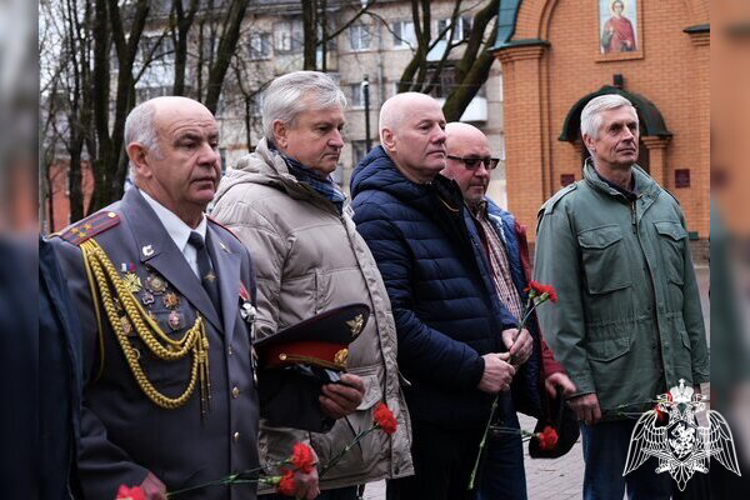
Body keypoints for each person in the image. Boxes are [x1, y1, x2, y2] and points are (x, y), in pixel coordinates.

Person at [50, 96, 363, 500]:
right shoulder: (83, 254)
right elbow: (53, 397)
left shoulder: (231, 249)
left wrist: (316, 399)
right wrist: (115, 476)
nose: (210, 158)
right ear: (141, 158)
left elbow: (232, 376)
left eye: (214, 143)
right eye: (189, 144)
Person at [210, 71, 412, 500]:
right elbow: (248, 345)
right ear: (280, 132)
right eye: (323, 128)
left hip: (337, 438)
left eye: (339, 127)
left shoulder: (324, 198)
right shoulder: (252, 207)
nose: (338, 139)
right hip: (303, 457)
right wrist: (289, 456)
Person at [350, 92, 534, 500]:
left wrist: (505, 326)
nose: (440, 136)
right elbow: (393, 319)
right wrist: (473, 368)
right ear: (390, 139)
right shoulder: (377, 211)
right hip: (429, 417)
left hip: (471, 408)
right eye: (425, 127)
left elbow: (481, 282)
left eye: (441, 125)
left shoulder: (445, 197)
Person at [533, 94, 709, 499]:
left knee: (670, 490)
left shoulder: (665, 205)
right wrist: (577, 383)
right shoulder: (566, 212)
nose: (629, 135)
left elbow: (687, 303)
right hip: (611, 389)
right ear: (589, 141)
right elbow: (556, 309)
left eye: (632, 126)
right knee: (605, 492)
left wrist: (698, 372)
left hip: (672, 386)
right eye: (615, 128)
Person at [441, 123, 576, 500]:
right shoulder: (438, 228)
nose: (483, 172)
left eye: (488, 162)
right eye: (470, 162)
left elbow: (529, 307)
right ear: (440, 161)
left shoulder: (501, 223)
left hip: (506, 389)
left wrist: (548, 368)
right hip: (463, 384)